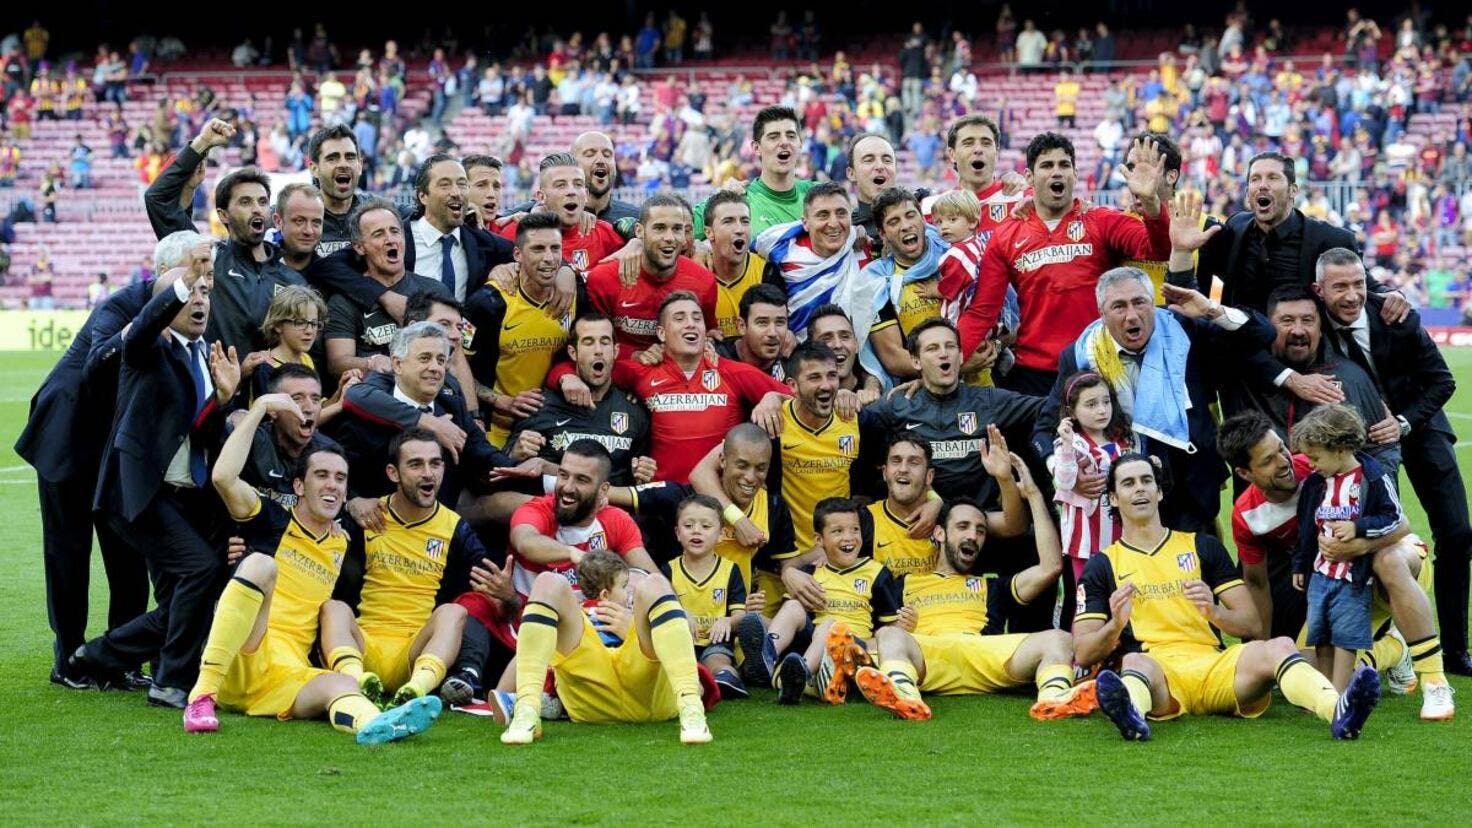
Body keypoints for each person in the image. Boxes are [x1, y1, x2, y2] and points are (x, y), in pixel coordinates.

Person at [182, 395, 442, 743]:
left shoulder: (344, 539)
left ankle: (377, 724)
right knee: (260, 564)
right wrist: (260, 408)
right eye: (321, 475)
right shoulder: (271, 519)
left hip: (286, 673)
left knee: (343, 684)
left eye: (339, 478)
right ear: (299, 486)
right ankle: (202, 695)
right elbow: (224, 477)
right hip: (245, 652)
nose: (332, 484)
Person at [1076, 455, 1383, 742]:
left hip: (1214, 666)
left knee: (1280, 646)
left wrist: (1214, 612)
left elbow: (1251, 623)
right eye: (1128, 483)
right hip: (1160, 674)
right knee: (1134, 662)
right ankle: (1132, 714)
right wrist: (1115, 624)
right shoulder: (1103, 565)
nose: (1140, 489)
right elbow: (1084, 652)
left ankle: (1338, 710)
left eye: (1146, 481)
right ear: (1114, 499)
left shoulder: (1201, 546)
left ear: (1159, 492)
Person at [67, 253, 242, 708]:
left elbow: (199, 433)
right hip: (140, 493)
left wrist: (222, 400)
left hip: (183, 497)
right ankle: (169, 683)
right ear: (165, 303)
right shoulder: (149, 346)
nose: (201, 298)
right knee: (202, 569)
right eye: (191, 292)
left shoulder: (205, 354)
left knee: (182, 601)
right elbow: (141, 329)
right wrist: (180, 283)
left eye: (206, 291)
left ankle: (97, 655)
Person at [1218, 410, 1454, 719]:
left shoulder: (1322, 462)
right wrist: (1262, 651)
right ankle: (1395, 650)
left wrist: (1357, 545)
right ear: (1245, 473)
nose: (1286, 462)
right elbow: (1257, 584)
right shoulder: (1247, 514)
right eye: (1267, 461)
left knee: (1388, 561)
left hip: (1396, 563)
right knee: (1311, 676)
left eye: (1281, 449)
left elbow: (1401, 525)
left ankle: (1434, 681)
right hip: (1343, 585)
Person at [1311, 248, 1472, 676]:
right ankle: (1392, 648)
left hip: (1420, 428)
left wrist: (1402, 422)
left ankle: (1456, 651)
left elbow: (1443, 380)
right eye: (1340, 287)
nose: (1351, 295)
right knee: (1384, 541)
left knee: (1457, 532)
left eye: (1359, 284)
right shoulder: (1314, 323)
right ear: (1319, 291)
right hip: (1364, 445)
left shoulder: (1395, 315)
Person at [499, 442, 712, 745]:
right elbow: (525, 542)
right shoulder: (538, 509)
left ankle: (691, 709)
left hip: (640, 676)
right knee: (547, 582)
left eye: (581, 480)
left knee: (654, 584)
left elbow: (650, 574)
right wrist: (575, 555)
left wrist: (646, 619)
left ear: (603, 491)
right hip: (584, 673)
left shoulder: (615, 520)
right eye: (563, 475)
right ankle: (526, 712)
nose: (567, 488)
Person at [16, 248, 163, 687]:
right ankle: (67, 658)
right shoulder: (121, 306)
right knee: (68, 552)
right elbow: (100, 363)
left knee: (128, 550)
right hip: (69, 439)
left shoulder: (191, 313)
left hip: (113, 447)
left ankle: (117, 660)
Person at [1033, 269, 1274, 532]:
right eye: (1119, 306)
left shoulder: (1182, 329)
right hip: (1119, 500)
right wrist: (1065, 471)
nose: (1132, 315)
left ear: (1152, 302)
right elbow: (1045, 428)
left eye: (1139, 302)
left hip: (1191, 491)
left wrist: (1210, 310)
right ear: (1102, 314)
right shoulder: (1081, 355)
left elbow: (1263, 335)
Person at [858, 473, 1095, 719]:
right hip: (930, 657)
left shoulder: (991, 585)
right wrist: (899, 626)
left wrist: (1034, 495)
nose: (973, 535)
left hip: (984, 657)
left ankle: (1054, 699)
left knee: (1059, 638)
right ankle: (905, 697)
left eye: (980, 530)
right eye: (963, 527)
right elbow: (880, 633)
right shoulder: (903, 583)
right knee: (889, 635)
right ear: (939, 534)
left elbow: (1050, 567)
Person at [961, 134, 1172, 394]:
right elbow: (982, 311)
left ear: (1075, 173)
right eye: (1047, 166)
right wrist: (950, 361)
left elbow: (1158, 249)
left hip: (1097, 364)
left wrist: (1152, 203)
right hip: (1034, 373)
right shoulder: (1006, 236)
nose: (1056, 173)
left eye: (1064, 165)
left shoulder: (1101, 219)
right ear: (1029, 177)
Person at [550, 291, 790, 484]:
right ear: (661, 333)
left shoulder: (733, 372)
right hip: (661, 501)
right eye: (679, 319)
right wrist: (566, 377)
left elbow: (797, 398)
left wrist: (772, 397)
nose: (691, 324)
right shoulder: (642, 371)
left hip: (717, 502)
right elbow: (589, 368)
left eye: (697, 318)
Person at [318, 428, 481, 707]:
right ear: (393, 473)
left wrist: (506, 592)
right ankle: (357, 681)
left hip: (415, 651)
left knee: (454, 612)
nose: (428, 473)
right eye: (416, 464)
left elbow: (487, 581)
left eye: (435, 463)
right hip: (362, 643)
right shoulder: (368, 517)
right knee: (333, 608)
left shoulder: (455, 528)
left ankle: (416, 691)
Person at [1165, 152, 1410, 323]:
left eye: (1273, 178)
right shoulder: (1235, 229)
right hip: (1243, 366)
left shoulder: (1331, 239)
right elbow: (1189, 292)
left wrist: (1393, 295)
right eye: (1255, 179)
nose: (1262, 185)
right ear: (1248, 193)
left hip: (1305, 364)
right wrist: (1181, 250)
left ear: (1293, 191)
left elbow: (1363, 285)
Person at [143, 117, 305, 356]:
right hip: (216, 391)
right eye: (245, 202)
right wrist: (201, 144)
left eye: (262, 202)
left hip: (273, 392)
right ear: (223, 215)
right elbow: (158, 200)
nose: (257, 209)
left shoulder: (292, 278)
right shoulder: (208, 261)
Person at [332, 322, 524, 518]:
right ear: (397, 364)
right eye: (425, 358)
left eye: (441, 360)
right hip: (378, 531)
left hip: (441, 533)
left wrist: (546, 479)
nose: (435, 368)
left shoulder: (452, 406)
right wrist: (353, 501)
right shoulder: (369, 410)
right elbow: (338, 471)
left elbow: (487, 460)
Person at [753, 497, 922, 718]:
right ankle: (767, 657)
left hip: (854, 648)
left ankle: (800, 677)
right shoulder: (810, 572)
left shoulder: (876, 573)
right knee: (794, 606)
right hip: (812, 643)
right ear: (819, 539)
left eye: (855, 529)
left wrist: (905, 623)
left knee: (831, 626)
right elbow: (788, 618)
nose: (849, 537)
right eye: (838, 531)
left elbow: (887, 630)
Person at [614, 424, 797, 606]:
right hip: (682, 616)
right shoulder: (684, 499)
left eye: (760, 468)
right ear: (723, 461)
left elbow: (786, 564)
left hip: (736, 617)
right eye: (742, 465)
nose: (750, 476)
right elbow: (610, 494)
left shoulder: (773, 507)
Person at [861, 318, 1043, 501]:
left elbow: (1050, 406)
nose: (943, 354)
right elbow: (853, 424)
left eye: (950, 346)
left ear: (962, 355)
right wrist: (847, 398)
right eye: (932, 348)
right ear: (916, 361)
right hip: (918, 517)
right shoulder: (898, 403)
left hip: (978, 520)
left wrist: (1069, 357)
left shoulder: (989, 400)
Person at [1222, 283, 1399, 471]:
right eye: (1287, 321)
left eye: (1307, 320)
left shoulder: (1350, 377)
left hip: (1329, 497)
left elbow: (1383, 451)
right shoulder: (1243, 371)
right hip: (1261, 496)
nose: (1298, 331)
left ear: (1321, 328)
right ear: (1268, 327)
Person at [1288, 406, 1402, 692]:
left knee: (1345, 637)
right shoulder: (1315, 483)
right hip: (1320, 575)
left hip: (1353, 578)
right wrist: (1300, 564)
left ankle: (1341, 695)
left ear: (1340, 449)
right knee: (1321, 634)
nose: (1311, 464)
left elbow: (1393, 517)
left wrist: (1358, 528)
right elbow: (1306, 527)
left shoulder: (1372, 478)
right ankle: (1327, 694)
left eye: (1315, 457)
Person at [464, 212, 585, 446]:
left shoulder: (575, 295)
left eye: (555, 248)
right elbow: (456, 368)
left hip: (556, 429)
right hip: (498, 430)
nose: (549, 258)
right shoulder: (487, 304)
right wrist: (502, 401)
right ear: (517, 254)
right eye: (538, 249)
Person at [503, 314, 652, 487]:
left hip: (609, 509)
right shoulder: (539, 405)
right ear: (573, 353)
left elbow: (638, 479)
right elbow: (505, 465)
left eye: (604, 342)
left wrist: (642, 473)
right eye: (588, 342)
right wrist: (514, 453)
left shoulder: (634, 411)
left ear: (616, 351)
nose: (598, 350)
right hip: (549, 507)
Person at [323, 198, 451, 381]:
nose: (390, 240)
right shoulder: (343, 301)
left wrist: (471, 410)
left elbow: (457, 357)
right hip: (375, 398)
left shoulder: (435, 291)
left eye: (395, 231)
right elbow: (337, 363)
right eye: (378, 234)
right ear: (359, 247)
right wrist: (372, 362)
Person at [1050, 371, 1137, 621]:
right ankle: (1085, 655)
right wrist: (1066, 445)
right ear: (1071, 412)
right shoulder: (1071, 442)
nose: (1102, 410)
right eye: (1091, 404)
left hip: (1123, 532)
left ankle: (1122, 651)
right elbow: (1064, 481)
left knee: (1124, 595)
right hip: (1085, 538)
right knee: (1087, 600)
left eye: (1106, 401)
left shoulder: (1122, 438)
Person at [585, 194, 717, 356]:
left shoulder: (704, 281)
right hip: (619, 378)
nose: (669, 238)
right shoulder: (603, 279)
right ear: (639, 231)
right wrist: (633, 355)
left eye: (677, 229)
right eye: (660, 228)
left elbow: (709, 334)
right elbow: (592, 344)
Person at [755, 182, 878, 341]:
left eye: (841, 213)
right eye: (823, 215)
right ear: (805, 223)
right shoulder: (782, 253)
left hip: (857, 357)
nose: (834, 223)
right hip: (801, 356)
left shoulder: (864, 250)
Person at [662, 495, 754, 698]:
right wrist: (680, 614)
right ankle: (693, 681)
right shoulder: (668, 570)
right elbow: (661, 609)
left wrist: (728, 621)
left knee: (717, 661)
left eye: (705, 526)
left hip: (715, 643)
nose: (696, 531)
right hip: (681, 643)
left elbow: (740, 615)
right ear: (678, 533)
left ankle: (726, 679)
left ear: (720, 534)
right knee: (677, 666)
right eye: (688, 525)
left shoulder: (730, 570)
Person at [693, 106, 814, 240]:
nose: (784, 142)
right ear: (756, 148)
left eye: (791, 136)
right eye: (773, 137)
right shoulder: (738, 198)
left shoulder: (818, 196)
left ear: (800, 144)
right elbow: (679, 227)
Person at [492, 153, 624, 270]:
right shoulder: (515, 233)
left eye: (578, 184)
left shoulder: (605, 235)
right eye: (561, 185)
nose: (571, 191)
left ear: (586, 195)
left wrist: (635, 245)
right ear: (541, 197)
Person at [237, 364, 346, 507]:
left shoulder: (329, 452)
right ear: (273, 409)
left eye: (315, 399)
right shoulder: (251, 442)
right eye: (297, 398)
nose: (309, 408)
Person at [703, 191, 768, 340]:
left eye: (745, 221)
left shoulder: (767, 271)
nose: (739, 229)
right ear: (709, 232)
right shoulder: (695, 274)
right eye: (728, 221)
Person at [304, 125, 367, 257]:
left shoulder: (381, 213)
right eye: (332, 158)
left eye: (350, 157)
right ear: (314, 168)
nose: (343, 164)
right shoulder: (293, 215)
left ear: (360, 165)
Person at [712, 283, 788, 379]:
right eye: (762, 323)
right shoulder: (714, 358)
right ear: (741, 326)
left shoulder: (793, 366)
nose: (772, 333)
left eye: (780, 322)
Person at [272, 183, 325, 273]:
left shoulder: (330, 276)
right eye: (300, 221)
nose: (308, 231)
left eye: (316, 222)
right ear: (278, 221)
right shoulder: (258, 269)